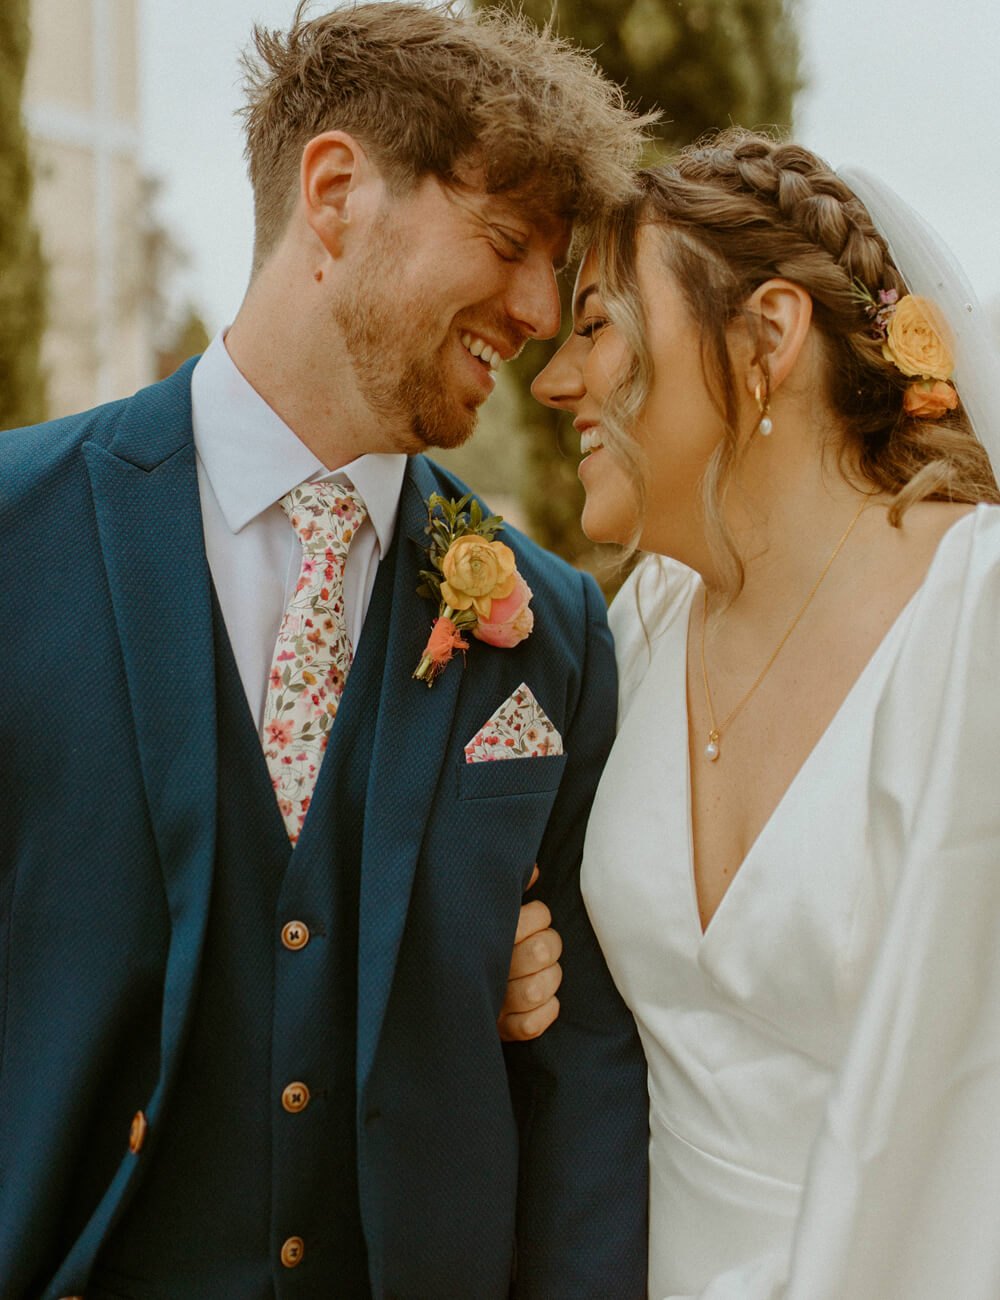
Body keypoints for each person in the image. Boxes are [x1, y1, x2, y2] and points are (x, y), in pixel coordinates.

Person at [0, 5, 651, 1296]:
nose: (534, 315)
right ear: (339, 192)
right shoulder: (15, 533)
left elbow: (580, 1078)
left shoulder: (554, 629)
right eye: (511, 243)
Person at [532, 128, 1000, 1297]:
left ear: (770, 335)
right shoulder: (639, 628)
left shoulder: (974, 619)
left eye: (597, 323)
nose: (552, 380)